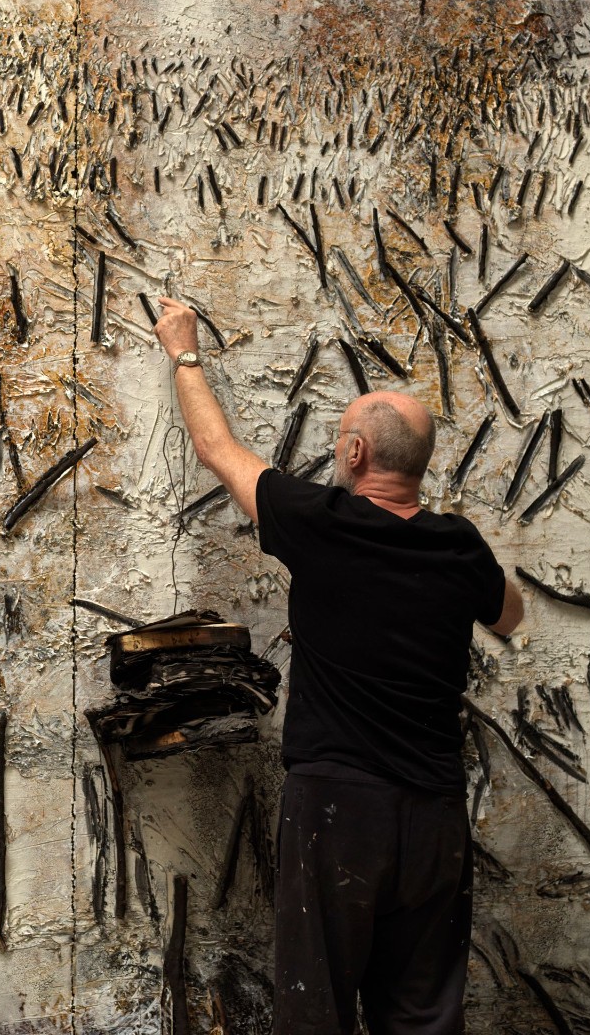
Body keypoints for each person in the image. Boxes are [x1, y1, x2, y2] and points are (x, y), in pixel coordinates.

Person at [152, 296, 524, 1035]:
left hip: (339, 810)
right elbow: (509, 615)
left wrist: (184, 352)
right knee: (422, 1016)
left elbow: (218, 450)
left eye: (340, 439)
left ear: (355, 455)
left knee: (316, 1009)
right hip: (434, 816)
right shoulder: (460, 547)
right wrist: (454, 568)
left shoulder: (322, 522)